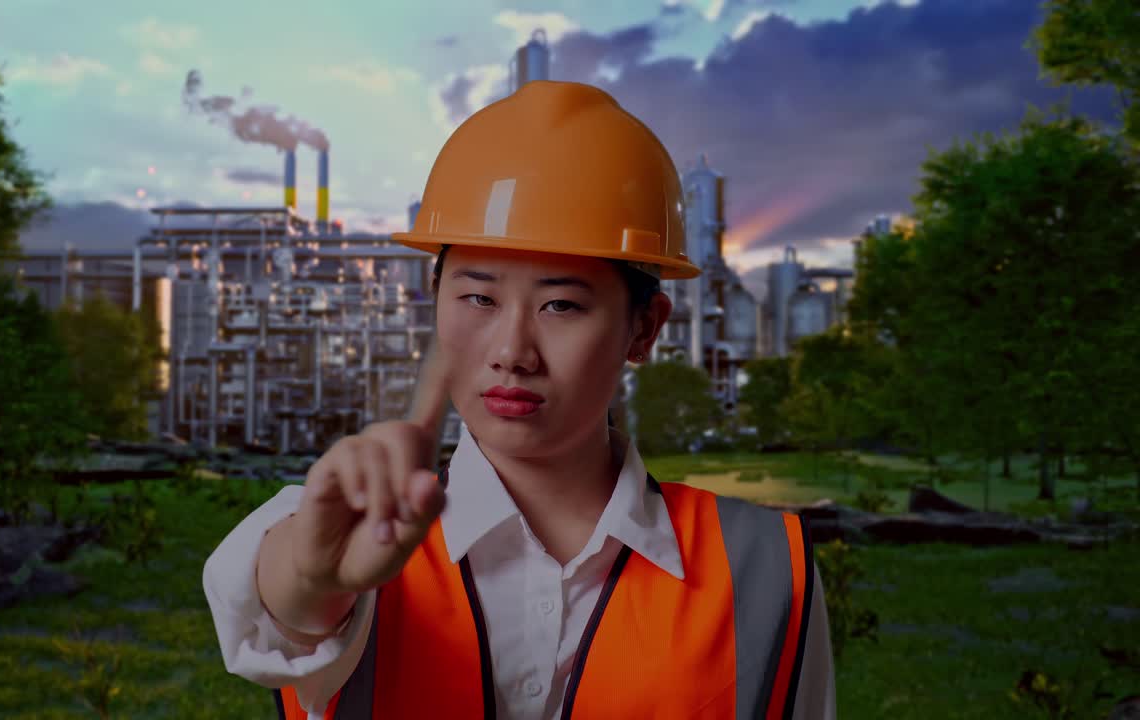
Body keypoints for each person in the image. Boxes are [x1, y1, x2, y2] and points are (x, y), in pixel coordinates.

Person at [204, 79, 836, 719]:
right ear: (434, 301)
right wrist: (313, 577)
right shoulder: (351, 536)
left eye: (561, 304)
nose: (512, 351)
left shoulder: (764, 568)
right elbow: (271, 612)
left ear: (643, 327)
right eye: (479, 298)